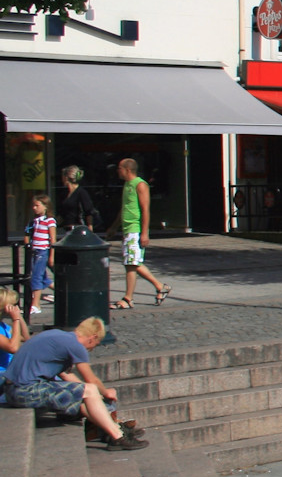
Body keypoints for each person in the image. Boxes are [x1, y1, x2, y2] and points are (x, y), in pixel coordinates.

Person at [3, 317, 145, 450]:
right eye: (94, 345)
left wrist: (95, 395)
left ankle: (112, 429)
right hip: (25, 391)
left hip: (13, 389)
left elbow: (66, 375)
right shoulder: (75, 345)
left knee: (87, 394)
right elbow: (91, 379)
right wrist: (105, 392)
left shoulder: (58, 336)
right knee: (89, 390)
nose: (91, 349)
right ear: (93, 337)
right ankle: (118, 437)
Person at [112, 159, 169, 309]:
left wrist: (145, 233)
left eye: (119, 168)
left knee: (131, 264)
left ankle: (128, 298)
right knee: (133, 262)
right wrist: (114, 227)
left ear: (127, 169)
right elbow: (124, 208)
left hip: (135, 230)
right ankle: (160, 286)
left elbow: (145, 209)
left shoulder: (140, 184)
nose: (117, 171)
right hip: (127, 229)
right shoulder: (126, 185)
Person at [24, 194, 54, 318]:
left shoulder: (50, 221)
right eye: (33, 205)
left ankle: (36, 305)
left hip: (43, 251)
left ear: (45, 206)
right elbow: (27, 234)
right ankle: (61, 291)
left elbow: (52, 239)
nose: (34, 208)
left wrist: (51, 256)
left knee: (36, 276)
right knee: (43, 277)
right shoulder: (34, 221)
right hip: (35, 251)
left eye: (37, 205)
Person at [57, 165, 96, 231]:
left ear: (66, 177)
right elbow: (62, 214)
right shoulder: (65, 193)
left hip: (79, 229)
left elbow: (88, 212)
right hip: (67, 229)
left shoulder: (81, 192)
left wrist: (90, 229)